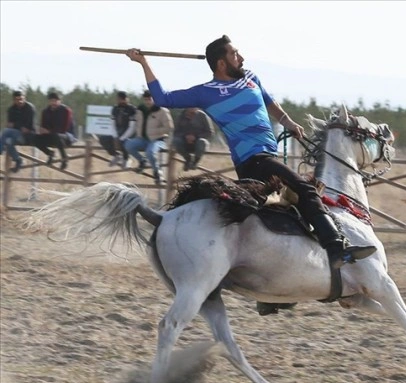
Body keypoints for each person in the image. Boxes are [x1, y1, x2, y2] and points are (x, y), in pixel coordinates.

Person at [126, 35, 376, 316]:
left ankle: (274, 293)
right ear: (221, 63)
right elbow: (162, 98)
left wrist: (289, 122)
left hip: (268, 156)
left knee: (285, 210)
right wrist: (143, 62)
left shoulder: (251, 78)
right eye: (235, 55)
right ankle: (338, 249)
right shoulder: (206, 92)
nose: (241, 58)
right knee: (306, 192)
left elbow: (270, 103)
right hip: (253, 161)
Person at [125, 90, 173, 183]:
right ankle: (143, 161)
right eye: (145, 99)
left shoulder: (162, 110)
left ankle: (157, 173)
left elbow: (169, 127)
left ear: (154, 98)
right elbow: (136, 124)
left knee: (150, 152)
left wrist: (154, 132)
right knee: (128, 145)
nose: (147, 101)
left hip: (158, 140)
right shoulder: (140, 110)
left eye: (149, 99)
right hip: (142, 139)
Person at [36, 92, 77, 170]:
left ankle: (64, 158)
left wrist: (48, 131)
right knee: (35, 138)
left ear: (60, 101)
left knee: (57, 136)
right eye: (52, 101)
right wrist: (41, 130)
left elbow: (64, 128)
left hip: (67, 135)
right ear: (49, 101)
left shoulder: (66, 110)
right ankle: (50, 153)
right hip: (52, 135)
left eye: (56, 101)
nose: (54, 103)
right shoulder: (45, 111)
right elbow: (43, 125)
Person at [1, 90, 37, 173]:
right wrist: (17, 126)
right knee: (8, 141)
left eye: (21, 99)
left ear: (24, 98)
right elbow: (10, 124)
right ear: (14, 100)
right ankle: (18, 160)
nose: (20, 101)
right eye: (17, 99)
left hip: (27, 135)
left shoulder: (29, 108)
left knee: (6, 131)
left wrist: (15, 125)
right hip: (15, 134)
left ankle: (0, 150)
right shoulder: (11, 109)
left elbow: (28, 126)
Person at [101, 91, 136, 168]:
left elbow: (132, 127)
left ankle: (127, 158)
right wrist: (115, 136)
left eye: (122, 99)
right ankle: (116, 155)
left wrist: (122, 138)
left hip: (129, 133)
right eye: (119, 99)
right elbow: (112, 124)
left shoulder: (132, 109)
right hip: (118, 132)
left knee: (125, 141)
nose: (120, 101)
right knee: (103, 138)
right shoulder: (115, 109)